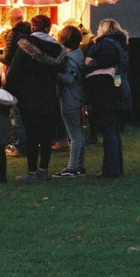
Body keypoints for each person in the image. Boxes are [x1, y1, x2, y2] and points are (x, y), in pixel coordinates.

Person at [4, 14, 65, 182]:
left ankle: (31, 172)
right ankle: (43, 170)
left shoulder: (25, 46)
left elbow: (14, 72)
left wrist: (8, 90)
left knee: (32, 135)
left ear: (33, 27)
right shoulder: (58, 49)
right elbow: (61, 69)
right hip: (50, 95)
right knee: (46, 136)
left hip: (29, 96)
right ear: (48, 28)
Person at [84, 18, 129, 178]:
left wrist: (89, 63)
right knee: (114, 131)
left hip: (106, 94)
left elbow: (102, 63)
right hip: (118, 91)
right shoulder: (121, 45)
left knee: (109, 131)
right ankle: (116, 166)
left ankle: (110, 169)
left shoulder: (106, 45)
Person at [55, 24, 86, 177]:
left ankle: (72, 167)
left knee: (73, 135)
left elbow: (68, 79)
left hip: (69, 98)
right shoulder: (79, 54)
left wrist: (54, 74)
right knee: (78, 133)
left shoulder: (68, 59)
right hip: (78, 96)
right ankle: (80, 165)